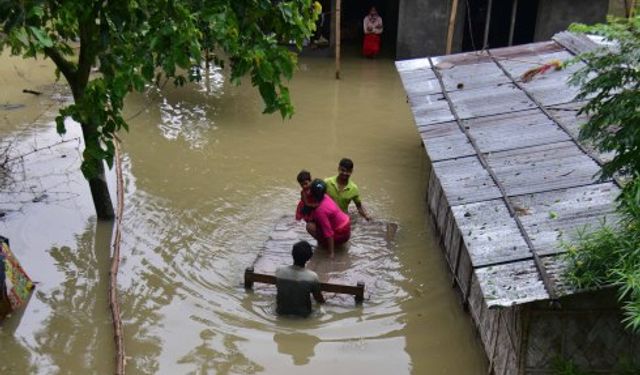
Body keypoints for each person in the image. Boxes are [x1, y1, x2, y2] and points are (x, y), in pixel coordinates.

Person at [275, 241, 325, 317]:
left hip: (280, 313)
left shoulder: (279, 271)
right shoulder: (312, 277)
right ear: (309, 258)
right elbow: (319, 299)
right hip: (303, 316)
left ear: (292, 254)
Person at [306, 179, 351, 259]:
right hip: (346, 227)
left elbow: (328, 232)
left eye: (310, 190)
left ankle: (325, 245)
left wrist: (331, 253)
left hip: (341, 233)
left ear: (313, 194)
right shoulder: (326, 197)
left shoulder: (320, 210)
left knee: (309, 226)